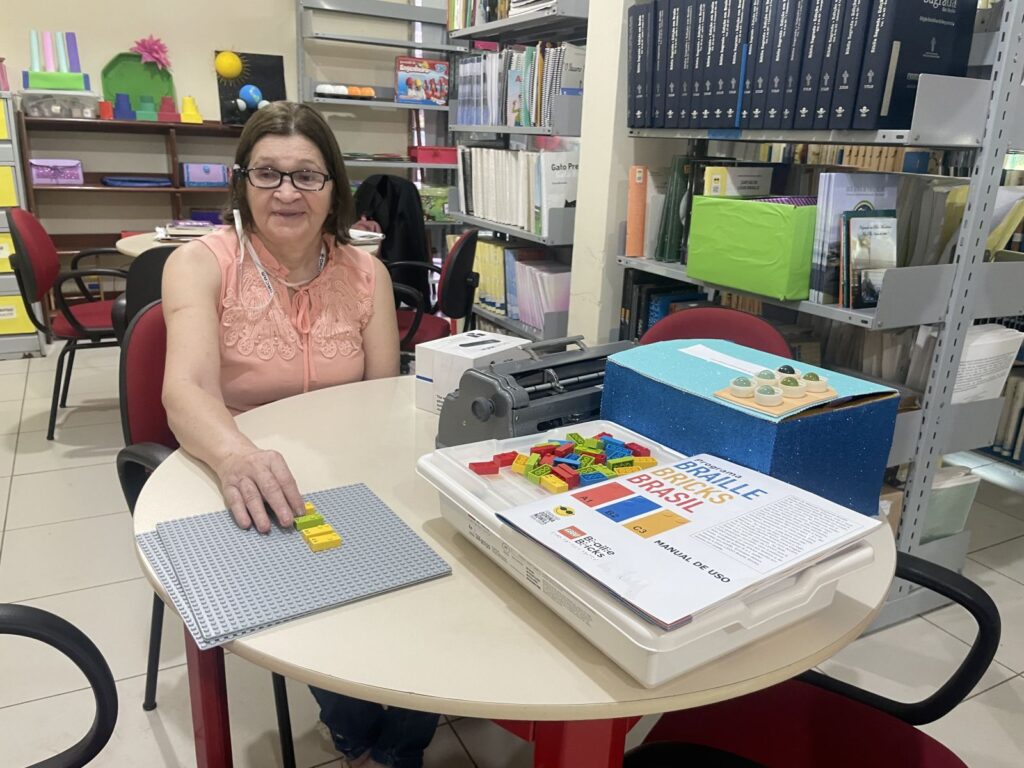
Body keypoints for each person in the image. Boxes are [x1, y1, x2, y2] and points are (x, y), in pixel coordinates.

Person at [161, 101, 438, 768]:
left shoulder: (367, 274)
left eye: (307, 176)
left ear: (333, 188)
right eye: (268, 173)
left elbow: (382, 395)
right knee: (317, 581)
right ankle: (353, 730)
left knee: (437, 562)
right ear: (242, 182)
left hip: (352, 467)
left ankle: (403, 742)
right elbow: (184, 390)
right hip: (245, 466)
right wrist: (237, 456)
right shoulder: (200, 265)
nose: (287, 192)